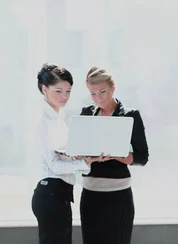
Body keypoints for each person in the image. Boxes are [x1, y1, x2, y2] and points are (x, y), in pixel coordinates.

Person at [79, 66, 149, 244]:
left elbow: (142, 157)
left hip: (119, 195)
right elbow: (79, 154)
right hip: (90, 195)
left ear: (113, 88)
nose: (98, 98)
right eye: (93, 94)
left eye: (102, 91)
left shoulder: (130, 115)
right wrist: (88, 156)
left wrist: (118, 154)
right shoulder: (87, 114)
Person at [31, 63, 98, 244]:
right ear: (44, 89)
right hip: (50, 193)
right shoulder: (44, 121)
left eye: (68, 91)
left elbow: (63, 154)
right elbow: (54, 165)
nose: (64, 96)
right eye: (58, 91)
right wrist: (83, 163)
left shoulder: (58, 118)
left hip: (59, 194)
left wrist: (84, 157)